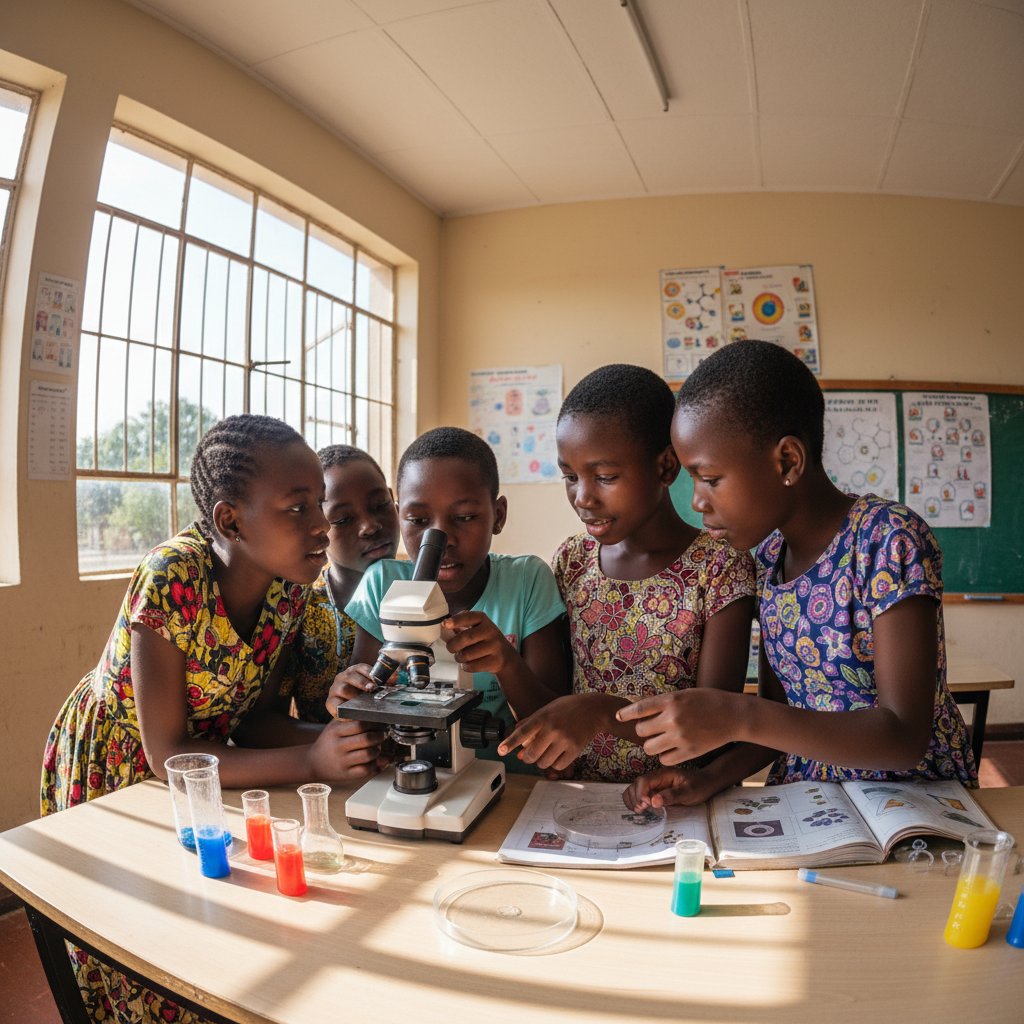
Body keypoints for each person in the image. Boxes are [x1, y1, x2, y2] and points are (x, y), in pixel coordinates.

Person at [41, 415, 389, 1024]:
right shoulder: (173, 576)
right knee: (137, 937)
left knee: (206, 933)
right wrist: (311, 759)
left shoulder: (289, 593)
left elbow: (254, 723)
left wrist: (345, 744)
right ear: (230, 519)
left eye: (320, 507)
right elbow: (168, 752)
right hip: (120, 763)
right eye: (298, 508)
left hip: (210, 764)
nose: (319, 526)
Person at [618, 340, 977, 813]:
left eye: (709, 477)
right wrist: (706, 779)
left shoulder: (887, 540)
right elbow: (778, 722)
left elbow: (903, 736)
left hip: (912, 804)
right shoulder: (767, 560)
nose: (697, 501)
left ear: (787, 460)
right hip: (814, 801)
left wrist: (737, 714)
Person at [498, 364, 756, 787]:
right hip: (580, 799)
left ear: (665, 467)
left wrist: (601, 713)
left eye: (605, 477)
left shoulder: (720, 568)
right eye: (569, 476)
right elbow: (556, 701)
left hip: (681, 800)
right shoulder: (571, 561)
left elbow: (712, 730)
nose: (582, 496)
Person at [326, 427, 568, 773]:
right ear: (399, 516)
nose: (440, 539)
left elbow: (557, 722)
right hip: (409, 771)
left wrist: (507, 664)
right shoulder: (382, 583)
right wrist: (349, 694)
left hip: (515, 782)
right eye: (419, 520)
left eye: (465, 518)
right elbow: (367, 705)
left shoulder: (527, 580)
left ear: (497, 515)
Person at [279, 444, 400, 723]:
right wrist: (333, 747)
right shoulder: (297, 607)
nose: (369, 526)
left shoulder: (433, 589)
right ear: (318, 525)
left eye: (380, 505)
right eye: (343, 519)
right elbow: (267, 721)